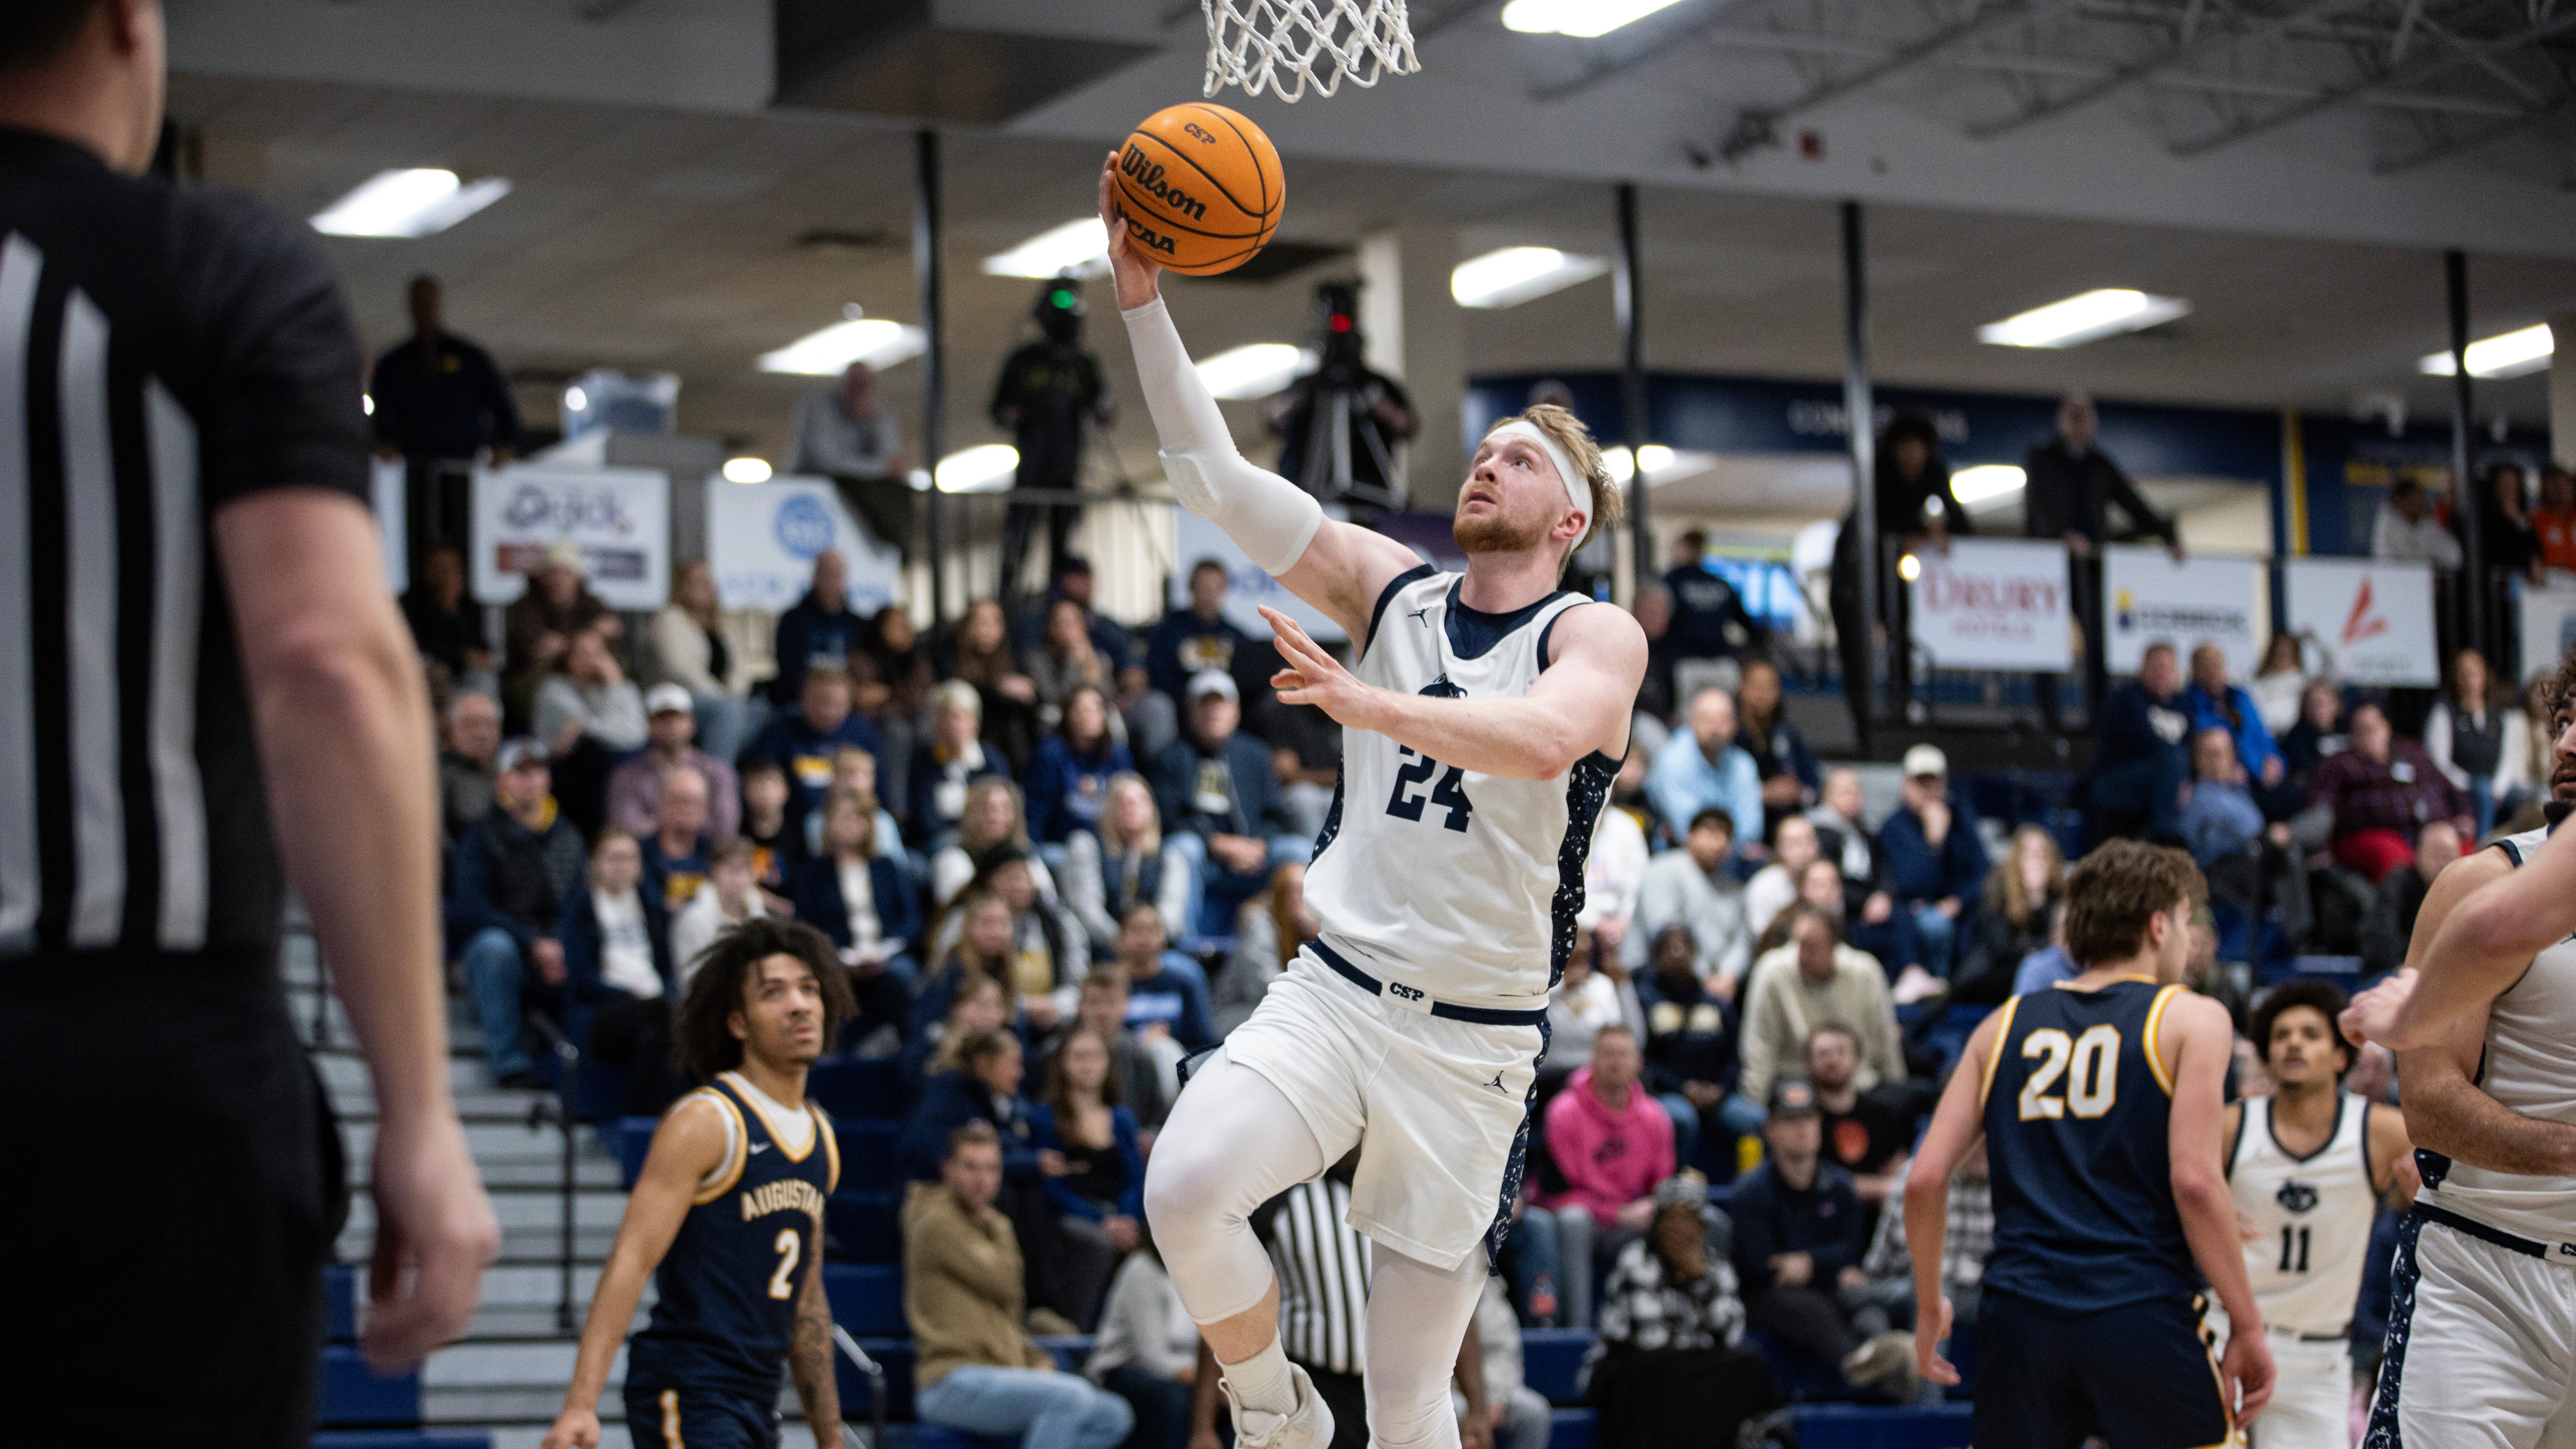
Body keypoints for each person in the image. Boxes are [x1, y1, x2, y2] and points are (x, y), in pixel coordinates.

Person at [0, 11, 498, 1433]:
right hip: (138, 1076)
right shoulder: (209, 265)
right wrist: (417, 1107)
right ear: (126, 21)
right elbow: (328, 663)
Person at [1106, 144, 1648, 1449]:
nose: (1485, 468)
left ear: (1567, 518)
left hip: (1472, 1041)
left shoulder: (1596, 634)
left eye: (1518, 462)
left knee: (1411, 1403)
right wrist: (1138, 292)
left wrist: (1370, 707)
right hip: (1336, 990)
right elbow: (1215, 479)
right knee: (1181, 1185)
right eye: (1483, 454)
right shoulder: (1390, 587)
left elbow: (1537, 744)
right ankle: (1270, 1413)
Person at [1904, 840, 2274, 1446]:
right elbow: (2195, 1179)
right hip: (2139, 1305)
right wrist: (2249, 1322)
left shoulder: (2001, 1024)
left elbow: (1924, 1179)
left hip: (2021, 1315)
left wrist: (1927, 1304)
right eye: (2185, 919)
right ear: (2160, 924)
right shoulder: (2193, 1017)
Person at [2336, 655, 2576, 1447]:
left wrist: (2411, 1007)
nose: (2568, 744)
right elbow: (2433, 1110)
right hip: (2489, 1275)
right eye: (2561, 721)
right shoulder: (2490, 878)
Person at [539, 920, 851, 1449]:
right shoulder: (707, 1121)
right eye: (773, 993)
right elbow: (631, 1259)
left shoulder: (821, 1135)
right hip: (687, 1385)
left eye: (809, 989)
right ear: (738, 1024)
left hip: (757, 1399)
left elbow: (808, 1302)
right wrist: (580, 1405)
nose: (799, 1005)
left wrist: (832, 1440)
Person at [2217, 979, 2413, 1449]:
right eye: (2282, 1035)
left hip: (2319, 1357)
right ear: (2265, 1054)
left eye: (2310, 1034)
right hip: (2226, 1339)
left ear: (2342, 1056)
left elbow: (2445, 1177)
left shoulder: (2378, 1132)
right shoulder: (2231, 1126)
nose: (2294, 1043)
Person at [906, 1120, 1137, 1449]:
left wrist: (1035, 1359)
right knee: (1068, 1398)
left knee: (1114, 1416)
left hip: (1001, 1371)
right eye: (971, 1167)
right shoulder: (933, 1220)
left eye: (991, 1168)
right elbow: (1003, 1280)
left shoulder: (995, 1224)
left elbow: (1007, 1314)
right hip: (949, 1379)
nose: (981, 1179)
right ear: (948, 1169)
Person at [1732, 1081, 1917, 1394]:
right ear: (1771, 1130)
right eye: (1790, 1121)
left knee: (1867, 1305)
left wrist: (1810, 1264)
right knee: (1811, 1308)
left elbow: (1850, 1251)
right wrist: (1826, 1266)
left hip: (1829, 1288)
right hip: (1765, 1300)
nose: (1802, 1128)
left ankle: (1891, 1371)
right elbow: (1758, 1266)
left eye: (1808, 1119)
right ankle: (1864, 1374)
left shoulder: (1841, 1187)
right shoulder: (1751, 1192)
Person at [2023, 392, 2182, 730]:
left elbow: (2133, 503)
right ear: (2061, 421)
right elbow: (2038, 506)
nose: (2080, 423)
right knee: (2047, 639)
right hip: (2049, 569)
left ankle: (2097, 718)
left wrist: (2167, 536)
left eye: (2086, 417)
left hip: (2092, 567)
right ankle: (2049, 717)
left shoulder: (2101, 465)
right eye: (2073, 416)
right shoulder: (2041, 459)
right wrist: (2060, 534)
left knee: (2097, 641)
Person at [1587, 1173, 1777, 1449]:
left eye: (1688, 1218)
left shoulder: (1716, 1269)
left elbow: (1731, 1335)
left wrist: (1698, 1282)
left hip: (1683, 1368)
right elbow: (1650, 1339)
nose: (1679, 1228)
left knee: (1750, 1364)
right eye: (1670, 1219)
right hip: (1630, 1365)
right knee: (1655, 1377)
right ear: (1657, 1224)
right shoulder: (1636, 1261)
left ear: (1701, 1226)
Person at [453, 739, 589, 1087]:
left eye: (538, 771)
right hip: (507, 946)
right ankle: (511, 1063)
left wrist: (560, 943)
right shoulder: (481, 835)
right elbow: (470, 908)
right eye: (519, 772)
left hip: (558, 945)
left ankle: (579, 1072)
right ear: (501, 781)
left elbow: (582, 902)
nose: (530, 780)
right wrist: (532, 942)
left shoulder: (570, 836)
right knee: (494, 948)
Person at [1830, 413, 1971, 748]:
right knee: (1858, 655)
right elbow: (1870, 527)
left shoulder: (1935, 473)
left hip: (1896, 579)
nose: (1911, 456)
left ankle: (1901, 709)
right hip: (1855, 577)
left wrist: (1935, 532)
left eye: (1918, 448)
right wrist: (1911, 536)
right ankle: (1863, 729)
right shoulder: (1877, 476)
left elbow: (1962, 523)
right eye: (1904, 449)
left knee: (1903, 641)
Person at [1534, 1025, 1677, 1330]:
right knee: (1574, 1219)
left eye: (1623, 1054)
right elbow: (1555, 1192)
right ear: (1592, 1060)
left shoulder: (1656, 1116)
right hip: (1585, 1221)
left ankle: (1680, 1330)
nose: (1615, 1062)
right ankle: (1577, 1330)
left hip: (1632, 1219)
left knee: (1693, 1219)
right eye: (1608, 1054)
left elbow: (1662, 1187)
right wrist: (1617, 1213)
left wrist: (1653, 1207)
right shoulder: (1564, 1111)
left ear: (1639, 1062)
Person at [1151, 668, 1301, 935]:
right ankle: (1177, 941)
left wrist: (1259, 845)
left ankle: (1312, 940)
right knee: (1182, 848)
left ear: (1237, 711)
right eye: (1205, 705)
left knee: (1299, 850)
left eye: (1222, 704)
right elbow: (1170, 817)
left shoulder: (1256, 754)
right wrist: (1216, 843)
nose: (1214, 712)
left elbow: (1276, 814)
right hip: (1206, 856)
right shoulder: (1172, 756)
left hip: (1256, 852)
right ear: (1190, 711)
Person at [991, 280, 1113, 603]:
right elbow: (999, 408)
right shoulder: (1024, 360)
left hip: (1067, 466)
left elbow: (1103, 408)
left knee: (1062, 540)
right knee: (1019, 536)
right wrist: (1015, 413)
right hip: (1031, 464)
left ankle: (1057, 603)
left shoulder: (1083, 364)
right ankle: (1007, 599)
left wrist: (1103, 411)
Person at [1029, 1024, 1149, 1327]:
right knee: (1096, 1243)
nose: (1087, 1065)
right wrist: (1103, 1221)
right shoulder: (1046, 1116)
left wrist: (1126, 1218)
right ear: (1064, 1063)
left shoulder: (1122, 1118)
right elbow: (1053, 1188)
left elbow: (1134, 1180)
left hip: (1120, 1215)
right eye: (1079, 1057)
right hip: (1072, 1215)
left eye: (1095, 1056)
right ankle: (1079, 1333)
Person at [1736, 905, 1905, 1113]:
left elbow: (1885, 1039)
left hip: (1857, 1084)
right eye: (1798, 945)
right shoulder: (1772, 971)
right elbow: (1759, 1047)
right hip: (1796, 1084)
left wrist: (1897, 1089)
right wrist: (1755, 1107)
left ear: (1835, 947)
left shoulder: (1865, 972)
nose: (1802, 956)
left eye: (1812, 947)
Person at [558, 829, 678, 1116]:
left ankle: (638, 1126)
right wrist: (627, 995)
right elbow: (581, 977)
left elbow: (666, 968)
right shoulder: (580, 909)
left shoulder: (651, 908)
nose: (622, 865)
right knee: (666, 1012)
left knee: (652, 1038)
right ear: (596, 863)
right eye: (614, 858)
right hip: (603, 1009)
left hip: (650, 1009)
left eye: (629, 858)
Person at [789, 787, 919, 1049]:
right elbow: (806, 926)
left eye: (857, 817)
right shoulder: (812, 873)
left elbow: (912, 921)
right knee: (824, 980)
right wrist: (840, 955)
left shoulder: (888, 868)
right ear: (829, 823)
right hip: (836, 957)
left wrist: (885, 951)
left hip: (887, 956)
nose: (850, 825)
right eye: (842, 817)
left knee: (903, 977)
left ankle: (908, 1053)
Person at [2309, 700, 2472, 884]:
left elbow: (2446, 785)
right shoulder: (2341, 763)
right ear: (2353, 736)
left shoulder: (2411, 752)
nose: (2369, 734)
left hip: (2428, 831)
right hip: (2375, 836)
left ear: (2386, 728)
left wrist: (2464, 814)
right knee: (2392, 854)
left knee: (2469, 855)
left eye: (2374, 727)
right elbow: (2321, 808)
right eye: (2362, 729)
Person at [371, 272, 519, 467]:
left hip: (463, 463)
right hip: (409, 464)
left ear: (438, 304)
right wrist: (381, 443)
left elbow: (501, 404)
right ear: (410, 306)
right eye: (419, 302)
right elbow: (379, 413)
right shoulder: (394, 363)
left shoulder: (469, 357)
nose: (425, 309)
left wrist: (505, 444)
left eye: (429, 302)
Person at [1637, 923, 1739, 1175]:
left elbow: (1735, 1056)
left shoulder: (1715, 1004)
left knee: (1755, 1120)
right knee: (1682, 1118)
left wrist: (1721, 1090)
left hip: (1716, 1094)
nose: (1678, 952)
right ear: (1657, 956)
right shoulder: (1644, 1001)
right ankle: (1675, 1185)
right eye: (1671, 946)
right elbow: (1643, 1060)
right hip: (1666, 1093)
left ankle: (1748, 1186)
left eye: (1685, 945)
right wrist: (1682, 1088)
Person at [1877, 745, 1987, 979]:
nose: (1927, 791)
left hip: (1960, 908)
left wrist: (1959, 901)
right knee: (1935, 926)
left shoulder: (1960, 819)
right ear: (1905, 785)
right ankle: (1938, 996)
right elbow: (1910, 884)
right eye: (1920, 782)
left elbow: (1983, 870)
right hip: (1912, 911)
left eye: (1933, 782)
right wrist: (1934, 845)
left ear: (1944, 783)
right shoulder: (1893, 827)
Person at [1087, 1227, 1200, 1449]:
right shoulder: (1141, 1268)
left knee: (1232, 1405)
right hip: (1122, 1371)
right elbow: (1153, 1358)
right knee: (1175, 1400)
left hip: (1186, 1372)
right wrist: (1209, 1383)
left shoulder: (1203, 1272)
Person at [533, 623, 649, 832]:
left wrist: (615, 685)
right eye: (582, 653)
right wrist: (601, 725)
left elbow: (636, 735)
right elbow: (601, 734)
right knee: (599, 753)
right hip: (564, 771)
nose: (591, 660)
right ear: (569, 660)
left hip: (604, 772)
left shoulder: (620, 687)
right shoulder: (555, 688)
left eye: (597, 653)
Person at [1062, 771, 1192, 953]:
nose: (1132, 807)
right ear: (1109, 808)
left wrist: (1146, 941)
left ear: (1152, 809)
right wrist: (1120, 939)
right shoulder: (1087, 846)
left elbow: (1172, 914)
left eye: (1141, 801)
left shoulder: (1170, 856)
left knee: (1189, 974)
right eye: (1123, 802)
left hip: (1154, 953)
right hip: (1101, 948)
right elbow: (1087, 909)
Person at [750, 664, 882, 843]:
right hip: (794, 828)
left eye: (836, 704)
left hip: (853, 826)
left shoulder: (863, 733)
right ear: (803, 698)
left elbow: (879, 792)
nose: (827, 711)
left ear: (849, 703)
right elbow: (762, 780)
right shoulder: (781, 733)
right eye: (820, 701)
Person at [646, 559, 756, 763]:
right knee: (729, 713)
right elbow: (681, 669)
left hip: (727, 699)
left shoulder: (724, 623)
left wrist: (736, 693)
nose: (704, 588)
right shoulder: (670, 619)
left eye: (707, 582)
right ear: (682, 588)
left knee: (760, 714)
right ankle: (718, 778)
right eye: (696, 582)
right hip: (683, 698)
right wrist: (722, 697)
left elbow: (741, 667)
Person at [607, 684, 741, 844]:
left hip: (707, 862)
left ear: (692, 723)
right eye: (662, 718)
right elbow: (626, 831)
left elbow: (725, 829)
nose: (671, 725)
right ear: (649, 725)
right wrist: (688, 819)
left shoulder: (719, 772)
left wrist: (658, 820)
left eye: (677, 717)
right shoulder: (626, 777)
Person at [1644, 687, 1764, 864]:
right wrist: (1724, 842)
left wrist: (1727, 845)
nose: (1715, 729)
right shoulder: (1673, 760)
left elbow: (1751, 830)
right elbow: (1687, 831)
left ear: (1735, 725)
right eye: (1707, 720)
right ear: (1692, 722)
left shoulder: (1743, 763)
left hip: (1735, 860)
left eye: (1723, 721)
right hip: (1680, 856)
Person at [2089, 641, 2193, 841]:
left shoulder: (2183, 704)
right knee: (2173, 759)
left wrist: (2187, 779)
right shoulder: (2126, 700)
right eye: (2158, 668)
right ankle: (2165, 838)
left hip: (2164, 784)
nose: (2164, 674)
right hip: (2117, 780)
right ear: (2143, 670)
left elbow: (2193, 748)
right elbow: (2147, 742)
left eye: (2169, 669)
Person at [503, 541, 615, 726]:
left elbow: (612, 634)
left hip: (585, 682)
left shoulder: (593, 604)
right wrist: (589, 637)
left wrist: (568, 645)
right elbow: (538, 648)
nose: (559, 580)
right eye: (553, 573)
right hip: (533, 683)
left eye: (565, 573)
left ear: (577, 577)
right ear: (542, 577)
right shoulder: (524, 606)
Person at [2182, 641, 2298, 820]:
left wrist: (2274, 760)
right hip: (2226, 777)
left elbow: (2263, 735)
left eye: (2217, 664)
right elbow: (2208, 739)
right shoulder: (2188, 703)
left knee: (2297, 798)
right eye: (2207, 664)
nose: (2214, 669)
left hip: (2261, 773)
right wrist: (2233, 766)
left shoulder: (2240, 698)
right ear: (2195, 670)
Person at [2425, 646, 2526, 839]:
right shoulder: (2444, 713)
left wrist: (2497, 788)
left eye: (2475, 673)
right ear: (2455, 678)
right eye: (2464, 674)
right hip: (2460, 787)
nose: (2470, 680)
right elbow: (2439, 762)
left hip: (2497, 788)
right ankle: (2484, 846)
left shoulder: (2499, 715)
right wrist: (2468, 784)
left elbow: (2508, 759)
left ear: (2485, 676)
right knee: (2482, 788)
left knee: (2531, 797)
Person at [1958, 825, 2064, 1006]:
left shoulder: (2056, 895)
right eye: (2031, 855)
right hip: (1990, 976)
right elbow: (2001, 947)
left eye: (2044, 855)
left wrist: (2039, 902)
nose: (2038, 862)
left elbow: (2059, 943)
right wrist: (2032, 901)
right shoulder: (1997, 887)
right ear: (2017, 858)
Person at [1100, 901, 1218, 1056]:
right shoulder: (1106, 984)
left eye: (1151, 931)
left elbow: (1203, 1043)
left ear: (1163, 938)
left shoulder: (1184, 983)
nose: (1143, 939)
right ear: (1120, 938)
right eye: (1136, 930)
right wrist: (1141, 1040)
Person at [1026, 682, 1133, 850]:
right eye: (1083, 710)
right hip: (1061, 846)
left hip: (1110, 848)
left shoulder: (1118, 753)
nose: (1091, 715)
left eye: (1097, 709)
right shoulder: (1051, 753)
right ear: (1069, 715)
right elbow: (1038, 809)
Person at [1222, 858, 1320, 1039]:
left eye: (1306, 890)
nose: (1302, 898)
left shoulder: (1311, 928)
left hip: (1282, 1007)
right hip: (1239, 1011)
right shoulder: (1258, 922)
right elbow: (1264, 985)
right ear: (1280, 894)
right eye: (1294, 891)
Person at [909, 677, 1009, 849]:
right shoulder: (924, 760)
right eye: (947, 718)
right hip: (939, 843)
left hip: (987, 842)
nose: (955, 726)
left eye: (963, 718)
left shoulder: (992, 760)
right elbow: (925, 820)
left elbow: (1004, 809)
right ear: (936, 722)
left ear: (975, 722)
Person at [2359, 818, 2463, 976]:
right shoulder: (2398, 882)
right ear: (2417, 854)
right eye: (2436, 853)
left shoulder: (2463, 892)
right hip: (2392, 974)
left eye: (2449, 855)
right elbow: (2381, 937)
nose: (2442, 863)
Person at [1459, 1276, 1554, 1449]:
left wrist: (1493, 1398)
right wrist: (1477, 1405)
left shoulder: (1488, 1288)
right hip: (1447, 1391)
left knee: (1534, 1412)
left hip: (1493, 1389)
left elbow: (1505, 1351)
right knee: (1451, 1412)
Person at [768, 548, 868, 708]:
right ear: (815, 577)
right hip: (800, 704)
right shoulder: (793, 621)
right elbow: (790, 671)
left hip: (849, 705)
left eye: (837, 574)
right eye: (826, 573)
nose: (831, 580)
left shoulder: (859, 625)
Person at [955, 596, 1045, 772]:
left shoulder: (1013, 659)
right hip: (973, 738)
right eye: (983, 623)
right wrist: (999, 688)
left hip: (1011, 741)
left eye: (996, 623)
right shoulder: (950, 657)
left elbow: (1037, 701)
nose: (990, 630)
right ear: (968, 626)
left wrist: (1025, 693)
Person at [1145, 557, 1251, 703]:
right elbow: (1158, 675)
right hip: (1178, 703)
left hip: (1221, 705)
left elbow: (1244, 681)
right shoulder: (1167, 631)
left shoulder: (1236, 637)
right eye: (1203, 587)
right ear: (1191, 587)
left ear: (1224, 589)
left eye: (1214, 588)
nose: (1208, 595)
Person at [1734, 659, 1817, 839]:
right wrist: (1762, 793)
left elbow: (1814, 786)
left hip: (1789, 830)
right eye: (1756, 686)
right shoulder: (1731, 737)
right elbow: (1720, 792)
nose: (1763, 694)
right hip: (1743, 833)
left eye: (1770, 687)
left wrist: (1798, 793)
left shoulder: (1787, 735)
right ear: (1742, 689)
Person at [786, 359, 905, 485]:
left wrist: (872, 423)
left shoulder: (880, 412)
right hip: (808, 485)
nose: (859, 393)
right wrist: (882, 468)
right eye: (854, 385)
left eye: (864, 387)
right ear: (842, 385)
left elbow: (894, 462)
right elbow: (828, 462)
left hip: (857, 489)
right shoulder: (820, 407)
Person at [670, 837, 768, 989]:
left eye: (745, 870)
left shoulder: (759, 914)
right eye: (731, 870)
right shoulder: (693, 918)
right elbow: (692, 977)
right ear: (715, 870)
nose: (739, 879)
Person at [403, 543, 494, 691]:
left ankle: (479, 713)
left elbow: (480, 648)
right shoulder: (412, 606)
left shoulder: (469, 607)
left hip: (468, 674)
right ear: (428, 572)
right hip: (432, 671)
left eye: (455, 568)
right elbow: (417, 648)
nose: (449, 574)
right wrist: (461, 656)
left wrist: (452, 609)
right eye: (441, 568)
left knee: (484, 677)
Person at [1023, 595, 1119, 737]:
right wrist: (1074, 664)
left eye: (1071, 623)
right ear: (1050, 628)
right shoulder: (1037, 659)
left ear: (1082, 627)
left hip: (1093, 718)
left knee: (1113, 720)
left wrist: (1089, 664)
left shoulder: (1101, 659)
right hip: (1057, 720)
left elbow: (1106, 697)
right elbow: (1053, 697)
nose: (1065, 629)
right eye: (1059, 623)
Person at [1742, 813, 1820, 943]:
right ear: (1780, 849)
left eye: (1809, 841)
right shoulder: (1763, 886)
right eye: (1794, 843)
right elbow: (1761, 940)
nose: (1803, 849)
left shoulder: (1826, 881)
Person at [440, 690, 504, 845]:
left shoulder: (513, 771)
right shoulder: (435, 778)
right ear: (452, 731)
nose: (481, 734)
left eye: (489, 724)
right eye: (471, 725)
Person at [737, 760, 802, 911]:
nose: (765, 792)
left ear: (786, 791)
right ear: (745, 792)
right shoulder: (737, 833)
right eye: (757, 785)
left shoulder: (800, 836)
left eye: (772, 784)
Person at [1805, 766, 1879, 885]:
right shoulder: (1818, 831)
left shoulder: (1862, 830)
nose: (1853, 798)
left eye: (1857, 792)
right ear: (1827, 797)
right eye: (1845, 792)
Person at [2371, 476, 2462, 567]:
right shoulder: (2387, 523)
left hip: (2425, 579)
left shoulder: (2427, 524)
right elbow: (2386, 563)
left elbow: (2455, 557)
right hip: (2398, 579)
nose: (2421, 505)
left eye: (2422, 500)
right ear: (2401, 502)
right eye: (2414, 503)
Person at [2249, 633, 2309, 737]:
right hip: (2262, 737)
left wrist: (2315, 642)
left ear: (2295, 655)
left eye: (2287, 653)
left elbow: (2334, 670)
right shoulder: (2258, 681)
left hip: (2292, 738)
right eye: (2278, 652)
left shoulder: (2303, 682)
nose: (2282, 657)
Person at [2534, 464, 2576, 573]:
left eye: (2566, 485)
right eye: (2556, 485)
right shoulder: (2537, 519)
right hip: (2551, 582)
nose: (2560, 491)